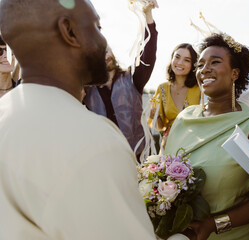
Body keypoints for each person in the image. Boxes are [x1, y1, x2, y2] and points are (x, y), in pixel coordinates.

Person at [0, 0, 156, 239]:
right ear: (69, 32)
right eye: (97, 26)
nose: (104, 42)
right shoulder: (97, 144)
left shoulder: (6, 112)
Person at [164, 33, 249, 240]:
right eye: (201, 64)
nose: (205, 69)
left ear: (235, 73)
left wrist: (213, 225)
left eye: (215, 62)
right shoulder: (184, 119)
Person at [83, 0, 158, 159]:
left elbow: (148, 56)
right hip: (103, 158)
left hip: (138, 156)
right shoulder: (86, 89)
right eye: (100, 55)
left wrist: (148, 16)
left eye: (107, 51)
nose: (106, 57)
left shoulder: (133, 78)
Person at [149, 43, 200, 147]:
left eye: (187, 60)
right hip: (169, 146)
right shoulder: (162, 88)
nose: (180, 63)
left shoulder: (200, 89)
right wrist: (155, 116)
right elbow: (160, 127)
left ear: (193, 64)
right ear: (172, 59)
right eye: (177, 57)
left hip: (194, 144)